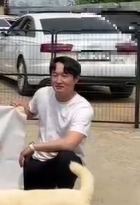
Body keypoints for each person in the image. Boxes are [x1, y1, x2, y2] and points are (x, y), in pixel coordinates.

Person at [13, 56, 94, 191]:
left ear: (76, 79)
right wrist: (18, 109)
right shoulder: (42, 93)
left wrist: (34, 147)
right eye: (54, 75)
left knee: (66, 158)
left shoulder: (83, 108)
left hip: (64, 162)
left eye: (65, 76)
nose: (58, 80)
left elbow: (70, 144)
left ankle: (64, 196)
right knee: (34, 202)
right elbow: (30, 112)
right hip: (40, 159)